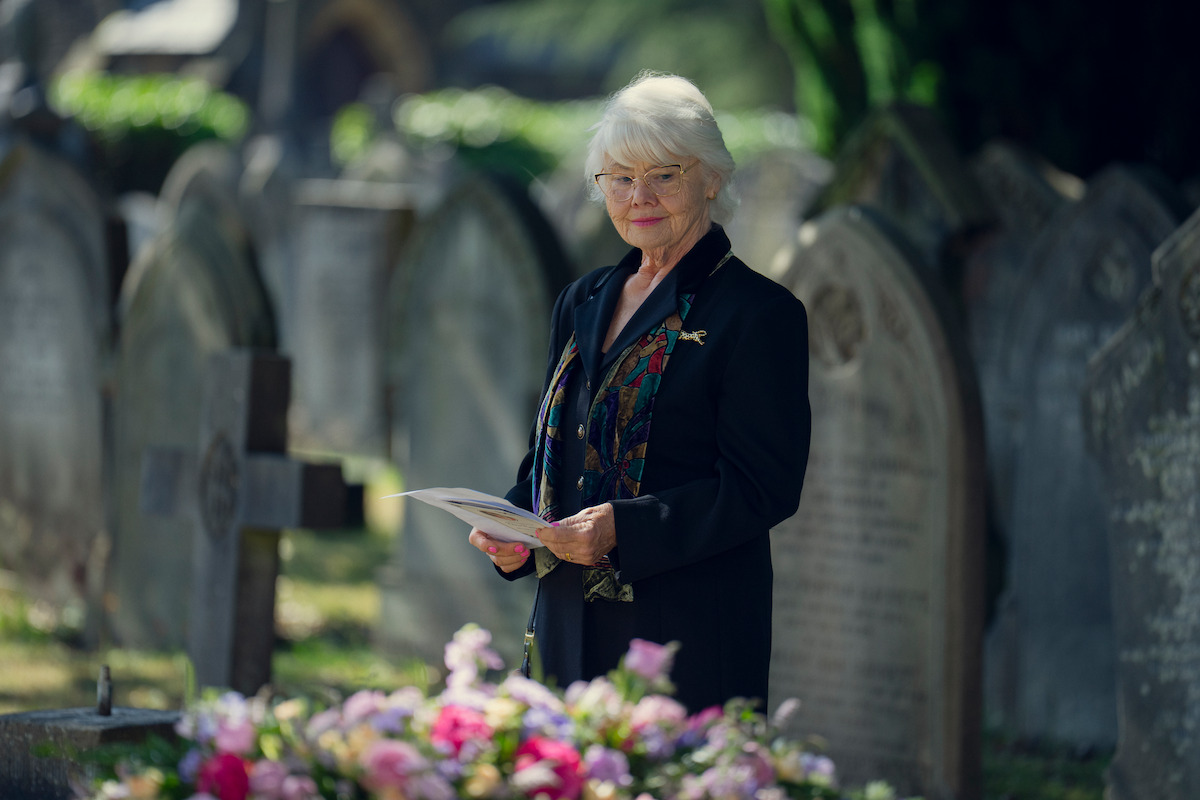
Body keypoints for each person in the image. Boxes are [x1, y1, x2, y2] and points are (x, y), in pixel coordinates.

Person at [469, 72, 810, 711]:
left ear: (711, 177)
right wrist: (512, 525)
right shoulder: (584, 299)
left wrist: (626, 528)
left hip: (683, 632)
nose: (639, 196)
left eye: (663, 174)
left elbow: (763, 486)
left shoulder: (759, 313)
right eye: (620, 178)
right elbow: (555, 451)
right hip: (567, 622)